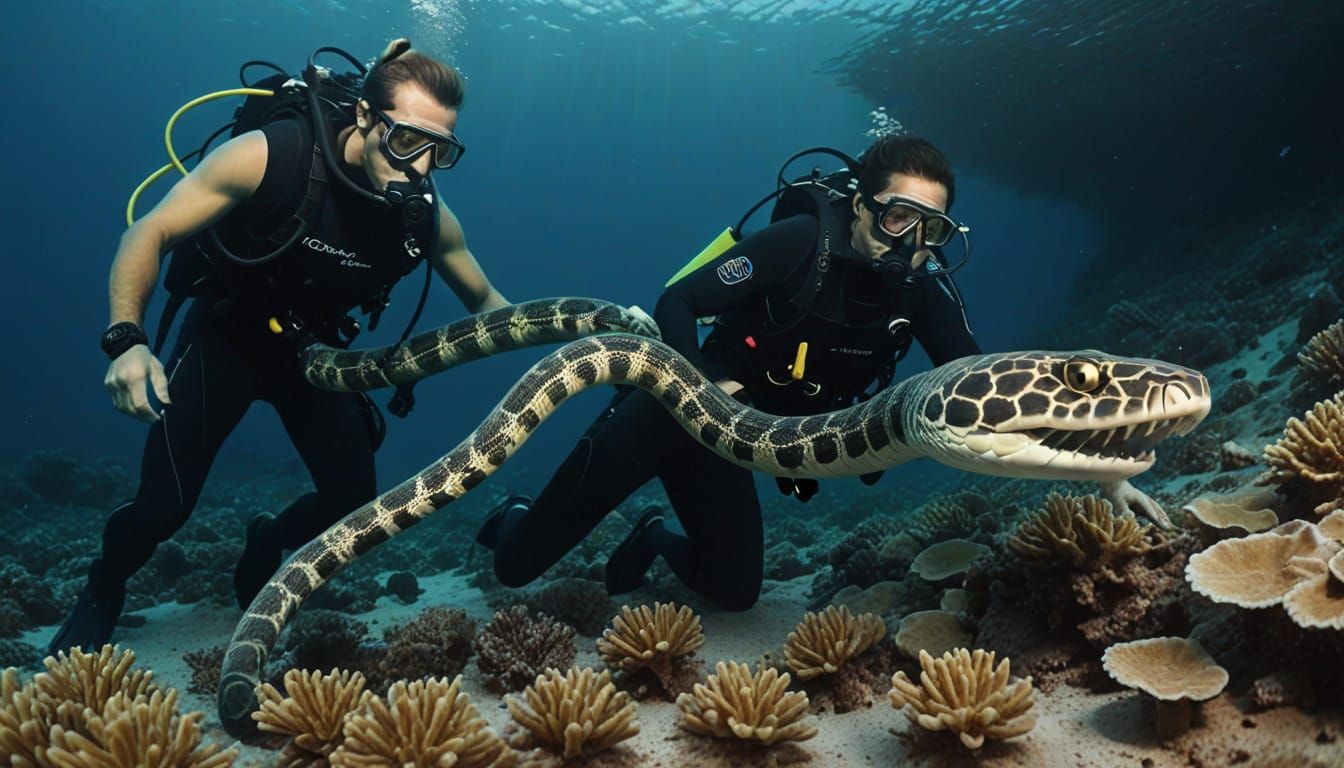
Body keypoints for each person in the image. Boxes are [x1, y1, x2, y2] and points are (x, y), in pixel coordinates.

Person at [48, 41, 509, 656]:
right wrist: (125, 342)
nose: (419, 167)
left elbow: (490, 304)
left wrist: (587, 334)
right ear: (366, 119)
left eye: (440, 151)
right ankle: (104, 583)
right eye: (405, 141)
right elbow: (148, 230)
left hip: (312, 358)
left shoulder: (425, 218)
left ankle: (269, 536)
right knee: (164, 509)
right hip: (226, 338)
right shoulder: (275, 155)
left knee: (353, 508)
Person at [475, 135, 978, 611]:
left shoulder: (923, 293)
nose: (912, 242)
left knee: (735, 592)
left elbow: (969, 380)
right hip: (668, 416)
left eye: (931, 228)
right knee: (517, 566)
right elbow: (679, 299)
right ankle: (513, 515)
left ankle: (650, 532)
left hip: (739, 446)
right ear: (862, 206)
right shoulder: (803, 243)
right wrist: (704, 390)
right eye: (898, 217)